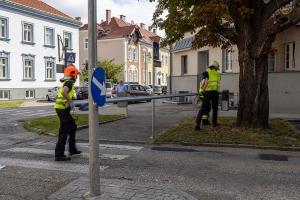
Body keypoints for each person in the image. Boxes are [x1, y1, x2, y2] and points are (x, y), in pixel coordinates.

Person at [54, 64, 81, 161]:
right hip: (62, 109)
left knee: (73, 127)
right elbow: (64, 93)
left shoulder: (67, 82)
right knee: (64, 131)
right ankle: (59, 155)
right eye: (77, 75)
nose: (77, 76)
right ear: (73, 75)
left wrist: (70, 103)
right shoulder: (69, 82)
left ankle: (72, 149)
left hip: (62, 109)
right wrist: (70, 102)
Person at [195, 61, 221, 130]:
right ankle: (214, 123)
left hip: (207, 93)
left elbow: (205, 83)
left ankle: (197, 124)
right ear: (216, 68)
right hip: (215, 93)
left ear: (211, 67)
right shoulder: (218, 74)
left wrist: (201, 91)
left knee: (203, 108)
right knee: (215, 108)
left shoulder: (207, 72)